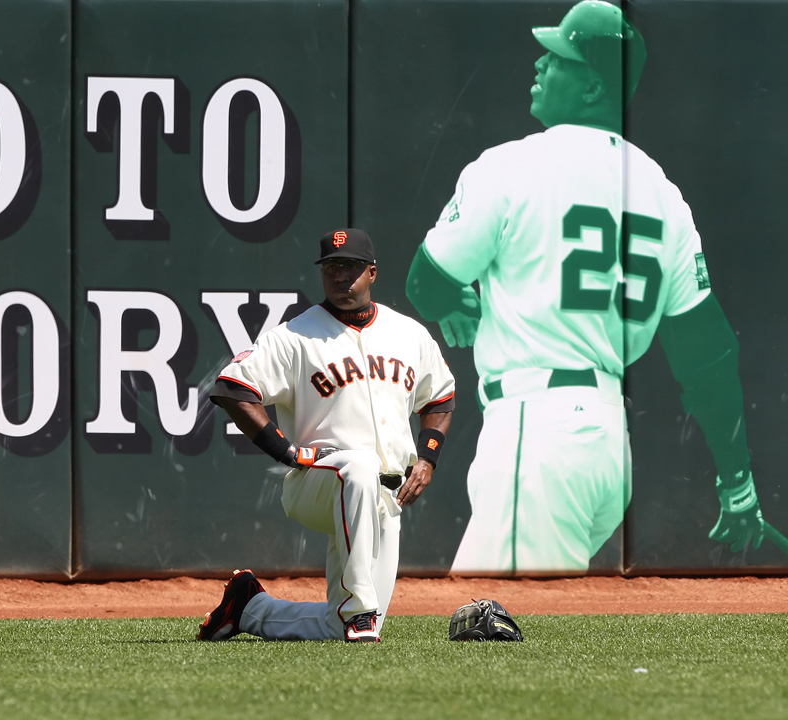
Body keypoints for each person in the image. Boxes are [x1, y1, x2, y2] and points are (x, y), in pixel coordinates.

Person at [405, 0, 767, 574]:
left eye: (560, 56)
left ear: (596, 88)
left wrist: (457, 303)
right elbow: (710, 355)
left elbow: (425, 279)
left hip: (539, 435)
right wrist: (738, 483)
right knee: (522, 644)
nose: (541, 64)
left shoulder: (511, 166)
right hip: (605, 446)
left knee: (488, 634)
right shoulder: (663, 193)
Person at [199, 228, 455, 642]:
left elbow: (439, 398)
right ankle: (358, 608)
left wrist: (427, 458)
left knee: (342, 629)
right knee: (358, 464)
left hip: (386, 498)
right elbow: (232, 388)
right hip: (320, 480)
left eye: (351, 267)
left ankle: (250, 607)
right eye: (332, 267)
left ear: (372, 273)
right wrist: (284, 452)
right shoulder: (294, 336)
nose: (341, 277)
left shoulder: (409, 334)